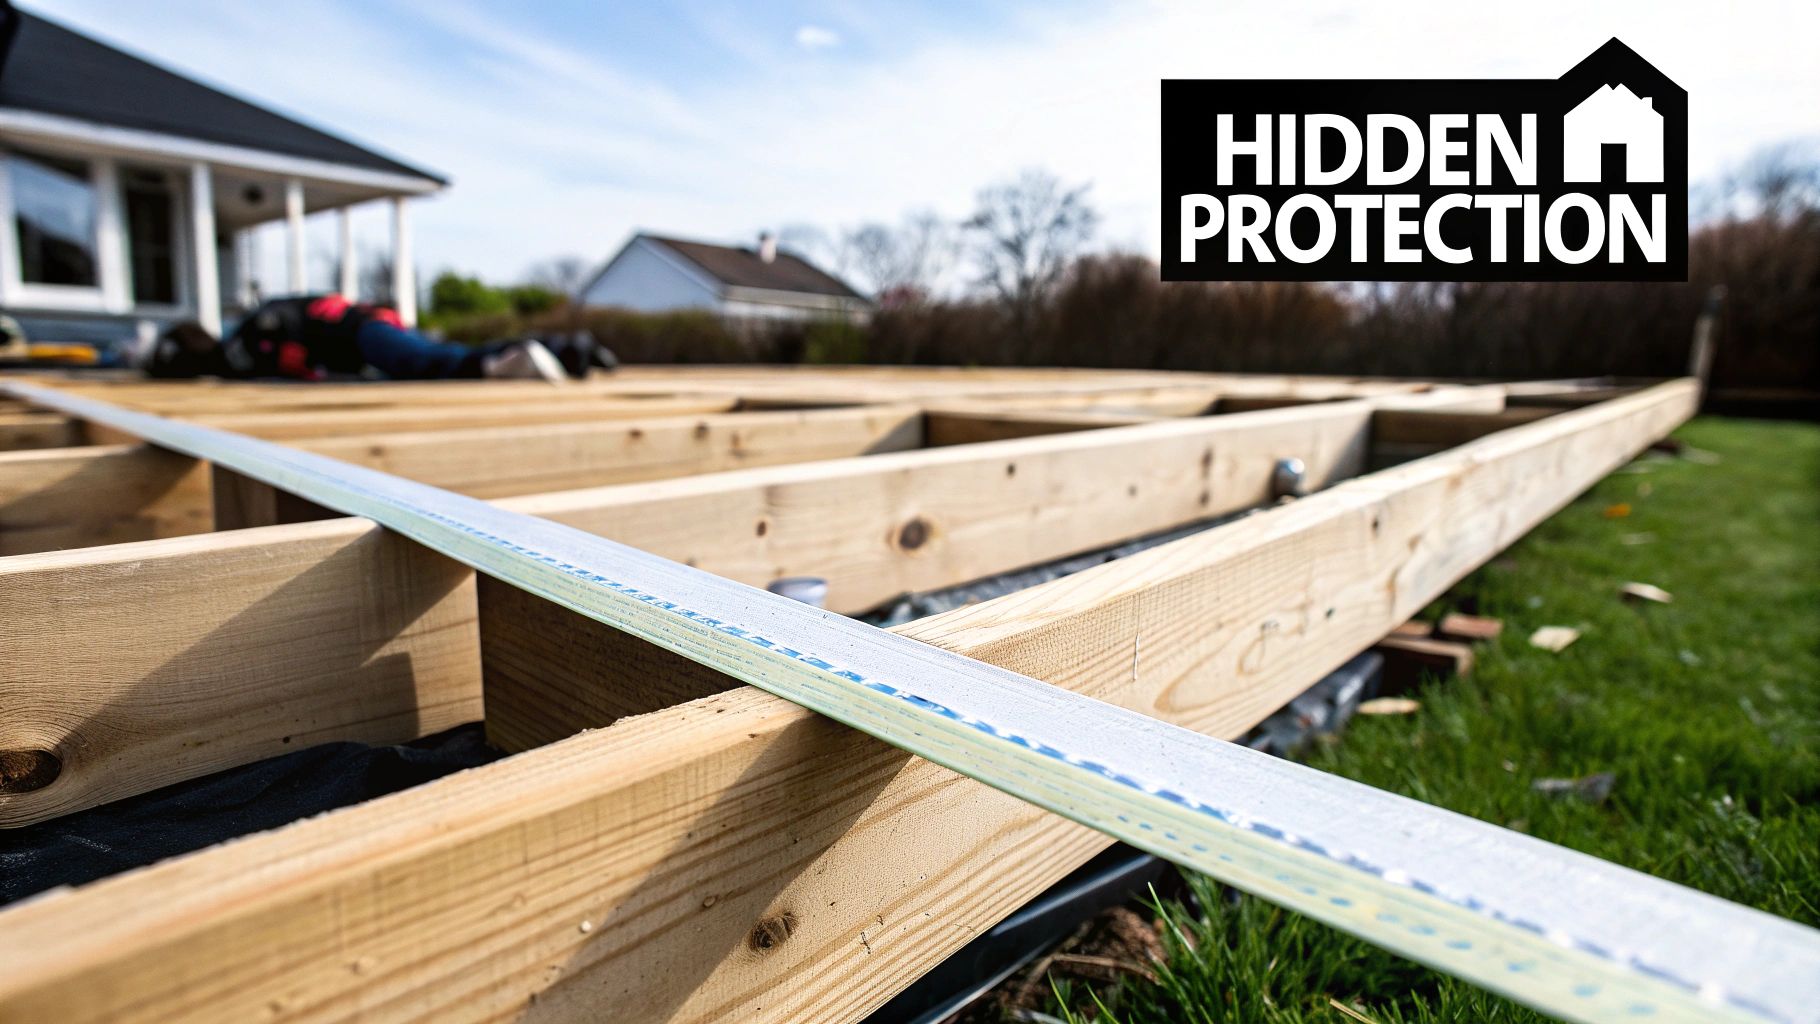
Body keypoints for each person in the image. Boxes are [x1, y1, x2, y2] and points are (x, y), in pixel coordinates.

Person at [142, 294, 614, 382]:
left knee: (429, 361)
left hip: (362, 334)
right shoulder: (235, 355)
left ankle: (550, 352)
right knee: (428, 361)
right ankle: (571, 351)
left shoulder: (249, 335)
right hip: (360, 342)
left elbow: (308, 313)